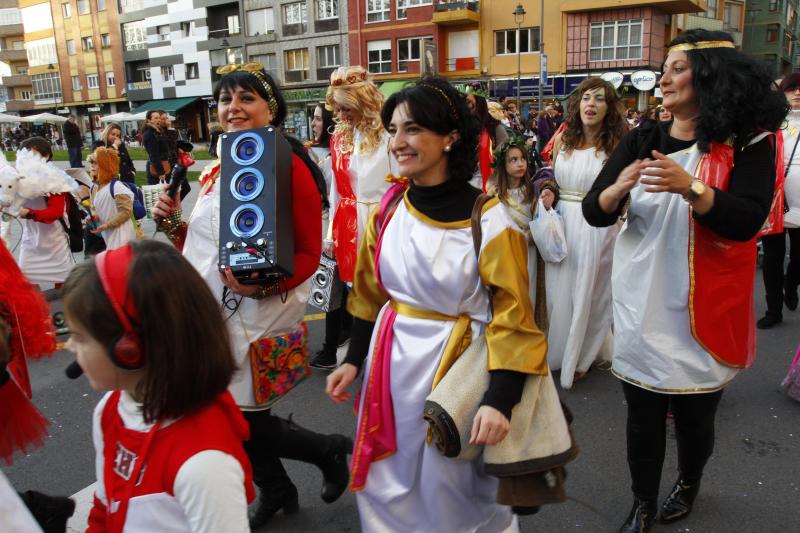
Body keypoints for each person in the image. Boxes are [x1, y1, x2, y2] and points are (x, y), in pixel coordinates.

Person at [582, 30, 787, 532]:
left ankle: (690, 481)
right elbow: (593, 210)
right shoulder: (643, 137)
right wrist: (616, 191)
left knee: (695, 419)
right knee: (642, 415)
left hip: (705, 304)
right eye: (666, 67)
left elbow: (746, 221)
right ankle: (643, 501)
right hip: (641, 297)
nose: (664, 78)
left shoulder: (750, 142)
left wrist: (690, 186)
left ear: (710, 75)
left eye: (677, 67)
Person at [326, 77, 549, 532]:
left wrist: (498, 401)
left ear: (450, 137)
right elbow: (368, 293)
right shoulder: (389, 208)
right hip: (391, 368)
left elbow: (514, 321)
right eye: (393, 130)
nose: (398, 142)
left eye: (412, 129)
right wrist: (355, 358)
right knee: (390, 481)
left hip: (456, 368)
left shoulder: (491, 220)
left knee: (450, 488)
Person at [152, 62, 348, 529]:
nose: (232, 109)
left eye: (246, 99)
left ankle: (321, 454)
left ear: (271, 107)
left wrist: (265, 284)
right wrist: (173, 224)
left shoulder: (289, 162)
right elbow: (205, 245)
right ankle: (287, 481)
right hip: (209, 307)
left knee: (238, 415)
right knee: (230, 413)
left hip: (261, 309)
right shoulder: (219, 164)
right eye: (225, 99)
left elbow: (305, 251)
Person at [62, 241, 254, 532]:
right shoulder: (109, 411)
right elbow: (104, 509)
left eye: (80, 337)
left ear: (129, 349)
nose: (68, 345)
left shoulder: (203, 465)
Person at [545, 77, 628, 389]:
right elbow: (550, 177)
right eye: (586, 98)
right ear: (577, 104)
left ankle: (582, 356)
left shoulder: (617, 145)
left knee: (591, 292)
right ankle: (562, 348)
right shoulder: (564, 139)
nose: (591, 104)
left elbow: (624, 189)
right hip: (563, 222)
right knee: (559, 291)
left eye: (600, 99)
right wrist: (548, 192)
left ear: (609, 108)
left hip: (597, 225)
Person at [325, 66, 394, 288]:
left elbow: (403, 186)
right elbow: (335, 190)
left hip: (382, 221)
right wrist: (329, 236)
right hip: (348, 224)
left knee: (384, 287)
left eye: (346, 108)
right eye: (338, 110)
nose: (342, 116)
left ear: (363, 104)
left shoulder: (390, 135)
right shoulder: (339, 137)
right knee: (353, 291)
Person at [487, 136, 558, 320]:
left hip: (529, 252)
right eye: (513, 160)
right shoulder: (495, 195)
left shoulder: (531, 192)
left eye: (523, 159)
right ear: (503, 165)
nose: (520, 164)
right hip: (506, 253)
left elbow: (538, 219)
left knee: (529, 293)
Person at [308, 103, 351, 370]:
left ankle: (335, 348)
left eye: (318, 118)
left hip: (335, 228)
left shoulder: (338, 150)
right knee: (330, 293)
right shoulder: (311, 151)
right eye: (312, 118)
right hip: (325, 228)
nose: (313, 124)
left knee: (337, 293)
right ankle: (335, 345)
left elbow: (332, 195)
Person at [758, 72, 800, 328]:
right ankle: (773, 310)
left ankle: (792, 283)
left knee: (798, 255)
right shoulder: (771, 122)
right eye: (792, 88)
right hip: (773, 197)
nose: (797, 93)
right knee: (773, 256)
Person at [15, 137, 76, 288]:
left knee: (64, 285)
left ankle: (63, 311)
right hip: (31, 240)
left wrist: (29, 213)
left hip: (54, 242)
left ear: (46, 156)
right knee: (26, 283)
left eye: (32, 154)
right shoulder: (19, 178)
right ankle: (36, 311)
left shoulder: (55, 179)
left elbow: (55, 212)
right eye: (25, 154)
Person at [88, 147, 139, 250]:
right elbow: (95, 208)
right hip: (108, 235)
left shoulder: (116, 187)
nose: (92, 166)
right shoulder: (94, 188)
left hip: (123, 235)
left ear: (106, 166)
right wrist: (94, 217)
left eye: (96, 163)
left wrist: (107, 225)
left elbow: (126, 212)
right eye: (91, 163)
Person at [465, 91, 508, 190]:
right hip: (465, 181)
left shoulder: (493, 126)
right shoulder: (461, 125)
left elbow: (505, 150)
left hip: (490, 182)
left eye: (469, 103)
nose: (465, 107)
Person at [141, 110, 170, 185]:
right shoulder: (149, 134)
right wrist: (161, 172)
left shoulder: (158, 132)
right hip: (156, 168)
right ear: (149, 120)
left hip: (162, 165)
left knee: (166, 194)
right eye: (156, 118)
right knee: (157, 194)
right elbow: (154, 154)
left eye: (159, 118)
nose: (159, 120)